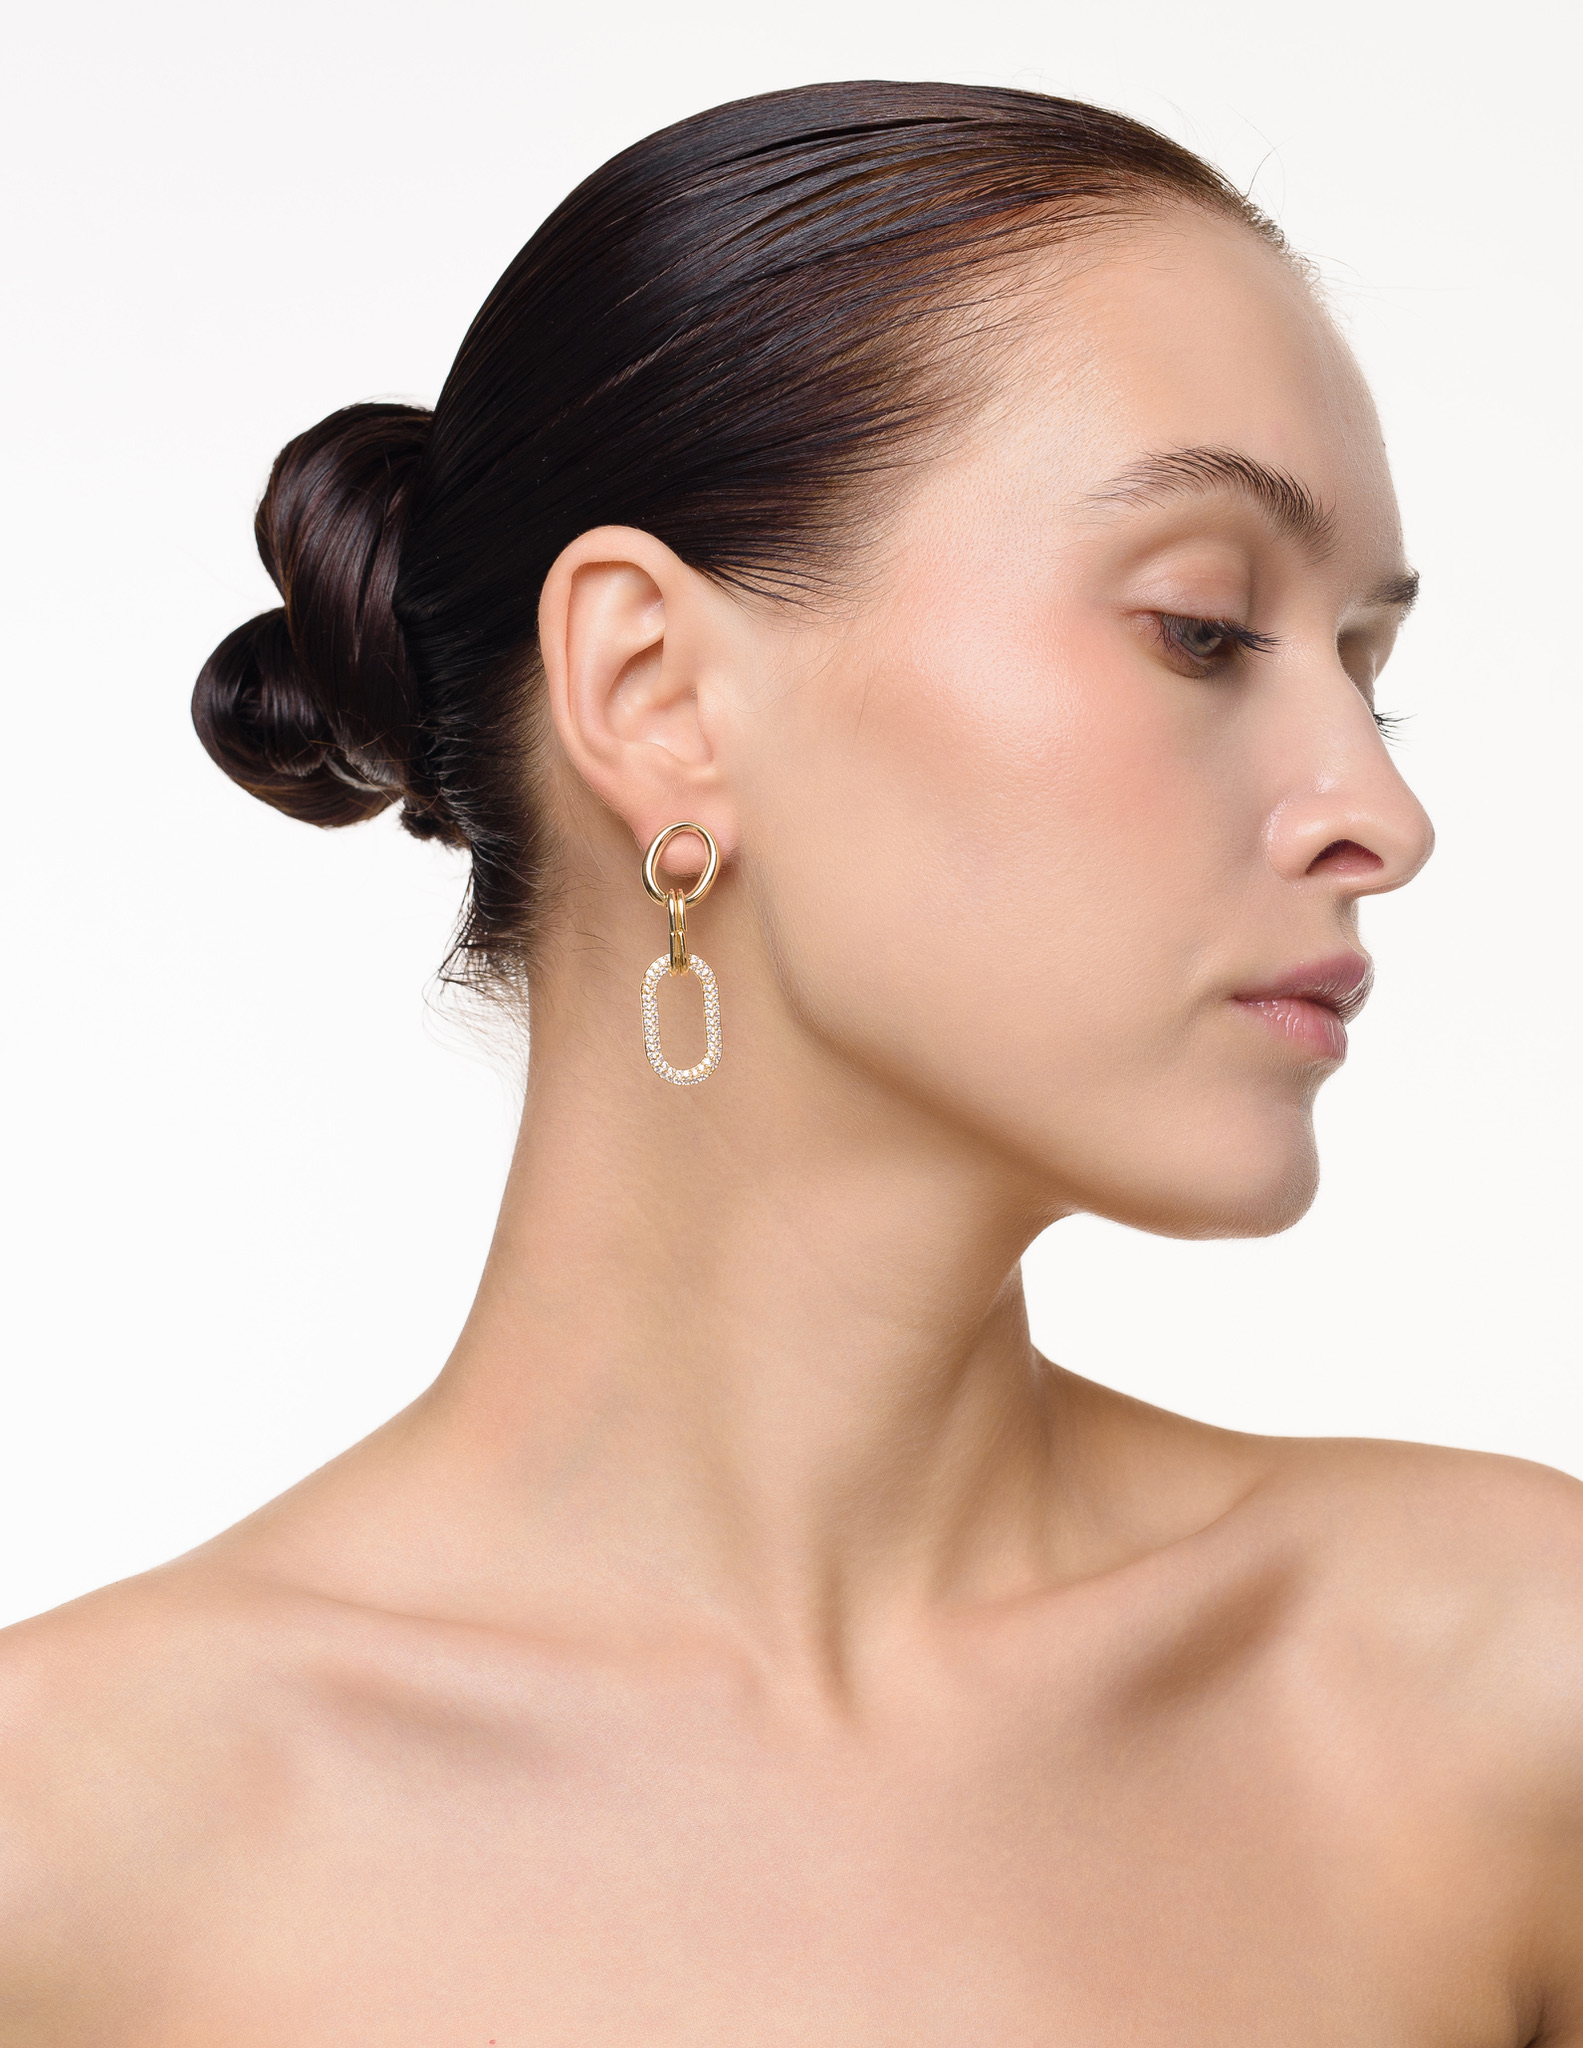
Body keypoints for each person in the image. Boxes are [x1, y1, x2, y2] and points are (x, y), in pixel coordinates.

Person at [1, 78, 1578, 2044]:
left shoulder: (1504, 1694)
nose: (1378, 815)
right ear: (656, 694)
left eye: (1366, 669)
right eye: (1201, 628)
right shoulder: (68, 1859)